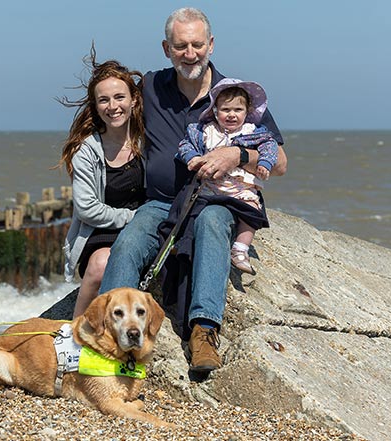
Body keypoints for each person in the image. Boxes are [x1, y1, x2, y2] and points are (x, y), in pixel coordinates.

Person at [99, 7, 287, 373]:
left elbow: (279, 162)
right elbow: (112, 100)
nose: (190, 53)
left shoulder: (234, 96)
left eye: (197, 44)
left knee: (214, 224)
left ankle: (204, 333)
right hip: (162, 203)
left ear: (211, 45)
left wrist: (236, 152)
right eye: (181, 45)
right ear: (166, 48)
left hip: (216, 200)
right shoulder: (152, 87)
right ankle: (109, 339)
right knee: (129, 242)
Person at [57, 52, 146, 318]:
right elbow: (87, 209)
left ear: (134, 100)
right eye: (103, 100)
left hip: (146, 227)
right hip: (102, 231)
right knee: (101, 264)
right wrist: (131, 218)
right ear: (96, 106)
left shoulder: (148, 142)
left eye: (119, 97)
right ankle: (76, 330)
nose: (112, 106)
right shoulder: (87, 151)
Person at [177, 78, 279, 275]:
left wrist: (264, 163)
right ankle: (183, 242)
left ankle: (240, 249)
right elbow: (185, 144)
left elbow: (270, 146)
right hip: (210, 186)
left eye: (237, 110)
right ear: (215, 110)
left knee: (253, 211)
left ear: (247, 111)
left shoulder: (252, 132)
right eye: (226, 110)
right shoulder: (206, 131)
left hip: (239, 188)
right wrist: (192, 157)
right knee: (191, 210)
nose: (232, 115)